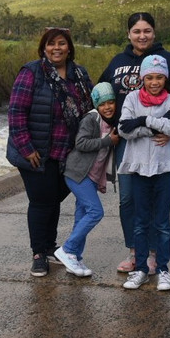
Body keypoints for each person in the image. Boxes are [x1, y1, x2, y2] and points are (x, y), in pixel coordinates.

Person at [99, 12, 170, 274]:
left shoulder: (168, 60)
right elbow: (101, 93)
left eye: (147, 30)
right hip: (127, 140)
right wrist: (109, 126)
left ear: (154, 33)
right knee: (128, 199)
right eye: (137, 31)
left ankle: (151, 254)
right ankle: (135, 251)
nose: (142, 35)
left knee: (153, 198)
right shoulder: (118, 61)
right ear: (129, 34)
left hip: (159, 141)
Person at [7, 27, 93, 277]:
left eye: (62, 43)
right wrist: (26, 148)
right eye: (51, 43)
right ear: (44, 48)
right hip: (36, 152)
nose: (57, 48)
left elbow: (92, 106)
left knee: (53, 200)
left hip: (67, 152)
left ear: (69, 47)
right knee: (41, 202)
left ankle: (50, 246)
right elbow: (16, 113)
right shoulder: (32, 72)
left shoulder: (79, 74)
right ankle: (38, 254)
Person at [117, 54, 170, 291]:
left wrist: (142, 121)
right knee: (141, 222)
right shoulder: (132, 99)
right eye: (150, 77)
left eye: (160, 77)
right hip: (139, 169)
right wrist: (155, 124)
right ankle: (141, 269)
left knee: (162, 223)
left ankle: (163, 269)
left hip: (164, 169)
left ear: (165, 78)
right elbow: (124, 128)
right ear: (143, 78)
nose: (155, 82)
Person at [55, 82, 119, 277]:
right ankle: (67, 249)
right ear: (96, 105)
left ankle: (75, 258)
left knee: (81, 217)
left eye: (111, 102)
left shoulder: (113, 122)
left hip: (90, 176)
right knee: (95, 211)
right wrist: (108, 141)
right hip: (77, 174)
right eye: (102, 104)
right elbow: (81, 143)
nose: (107, 107)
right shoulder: (91, 119)